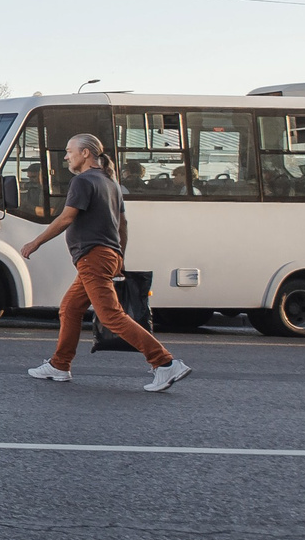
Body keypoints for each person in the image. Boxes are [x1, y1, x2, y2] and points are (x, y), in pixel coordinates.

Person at [23, 132, 190, 392]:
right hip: (104, 256)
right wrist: (119, 255)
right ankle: (60, 364)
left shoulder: (83, 181)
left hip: (93, 257)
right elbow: (123, 224)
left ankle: (165, 363)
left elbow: (67, 218)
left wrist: (35, 242)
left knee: (111, 316)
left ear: (85, 153)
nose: (66, 156)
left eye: (69, 150)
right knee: (70, 308)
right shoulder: (110, 182)